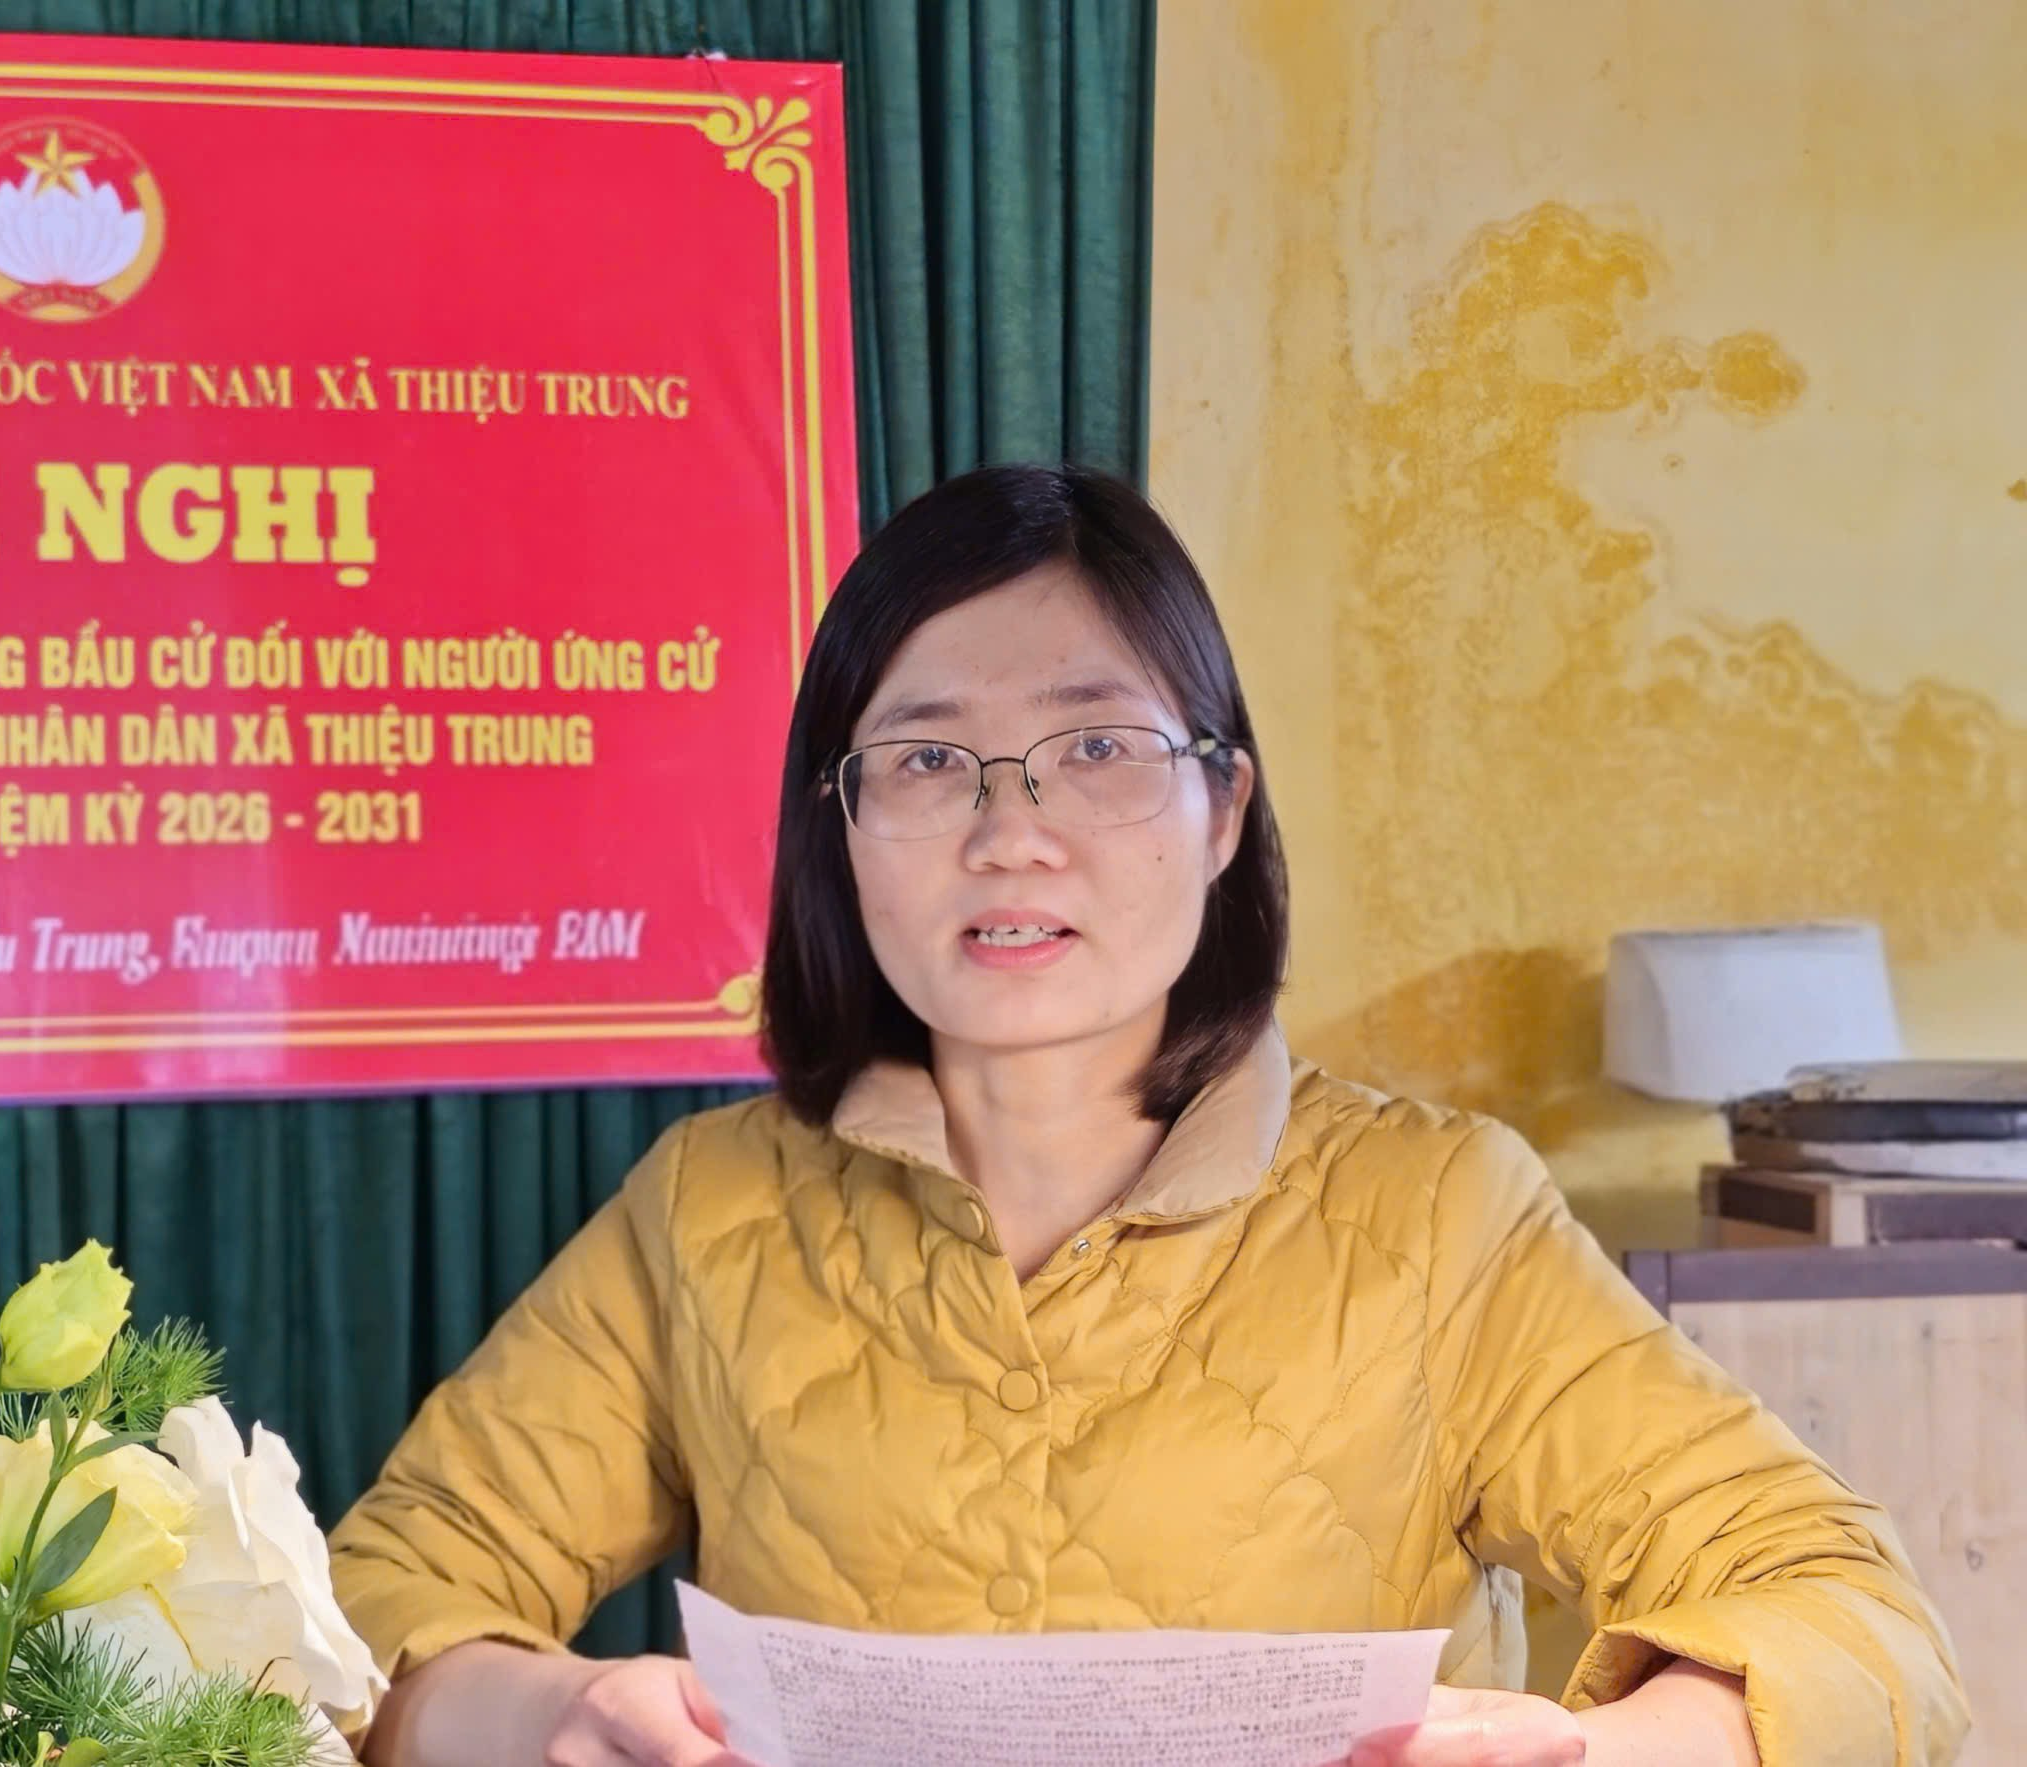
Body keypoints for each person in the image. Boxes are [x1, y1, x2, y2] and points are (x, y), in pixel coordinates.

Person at [326, 465, 1967, 1766]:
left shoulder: (1439, 1214)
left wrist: (1603, 1749)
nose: (1011, 833)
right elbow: (365, 1603)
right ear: (836, 822)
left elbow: (1853, 1616)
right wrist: (548, 1715)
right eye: (927, 762)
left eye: (1099, 746)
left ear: (1221, 804)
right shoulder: (711, 1207)